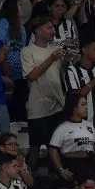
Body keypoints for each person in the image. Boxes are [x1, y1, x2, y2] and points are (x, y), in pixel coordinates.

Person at [22, 16, 66, 170]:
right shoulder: (27, 51)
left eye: (53, 28)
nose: (53, 31)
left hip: (57, 106)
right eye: (49, 28)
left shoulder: (56, 49)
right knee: (34, 148)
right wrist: (51, 58)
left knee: (56, 148)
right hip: (38, 108)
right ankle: (30, 183)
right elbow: (32, 75)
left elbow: (60, 74)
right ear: (37, 30)